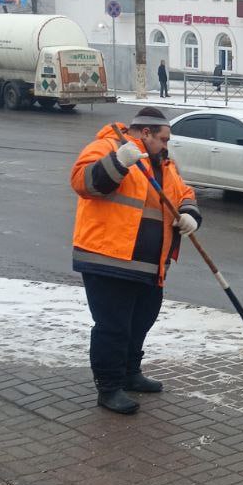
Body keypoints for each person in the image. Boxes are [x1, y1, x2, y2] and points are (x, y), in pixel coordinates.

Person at [71, 106, 201, 414]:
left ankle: (130, 373)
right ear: (145, 133)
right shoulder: (107, 146)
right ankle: (109, 387)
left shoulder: (164, 165)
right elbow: (82, 182)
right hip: (109, 258)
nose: (167, 145)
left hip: (150, 265)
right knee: (113, 326)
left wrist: (189, 214)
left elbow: (184, 193)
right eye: (164, 139)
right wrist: (118, 162)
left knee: (141, 321)